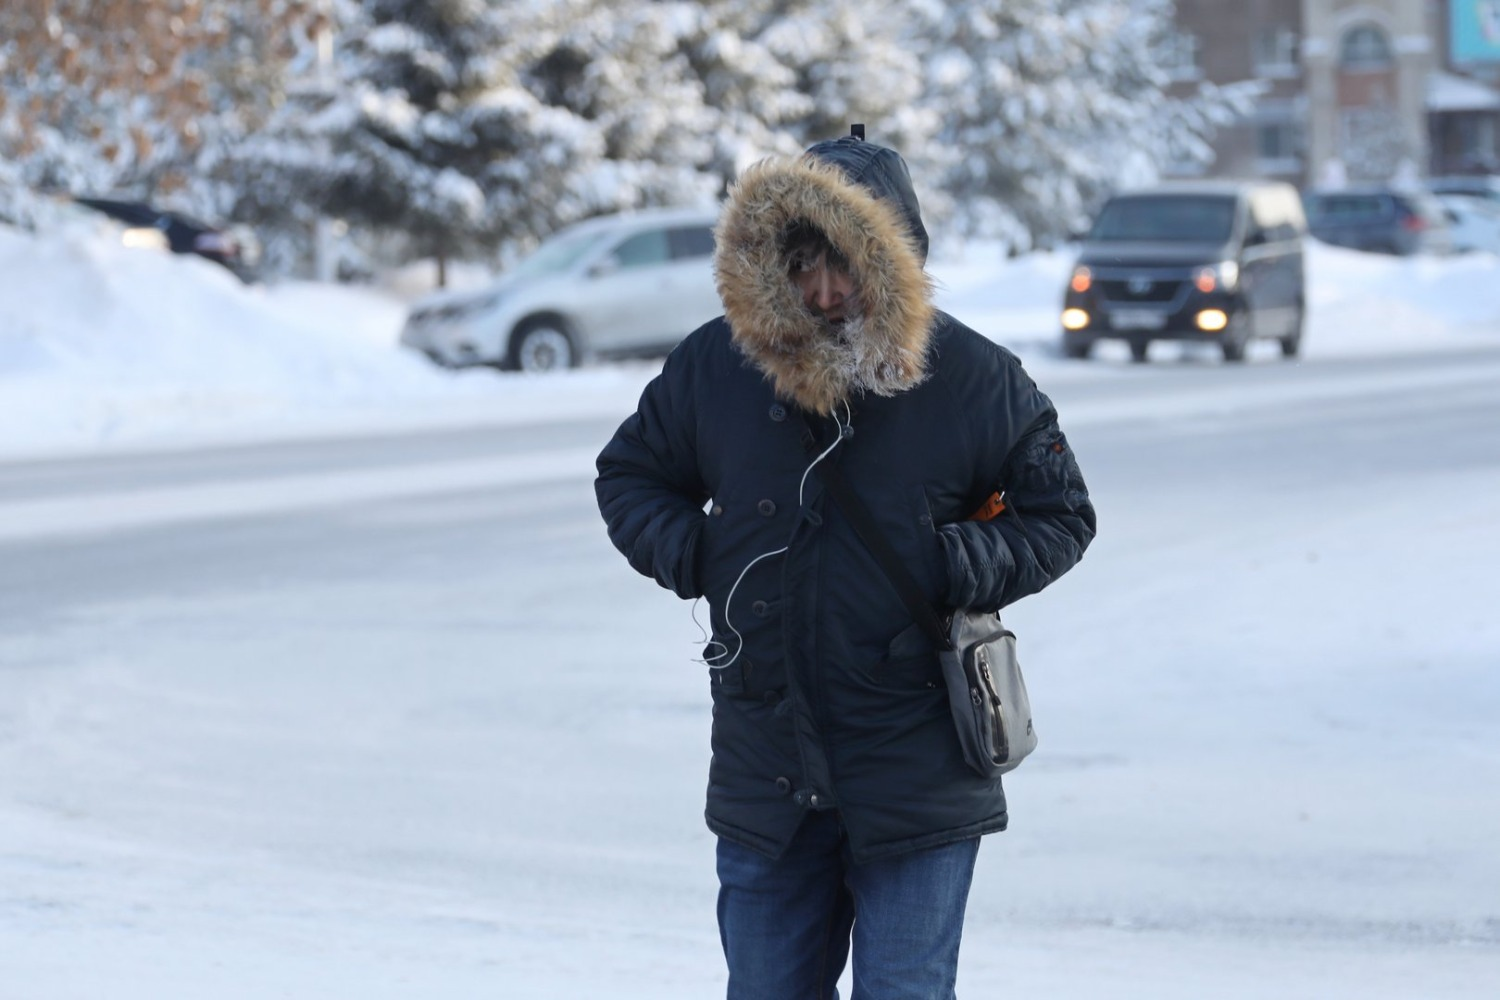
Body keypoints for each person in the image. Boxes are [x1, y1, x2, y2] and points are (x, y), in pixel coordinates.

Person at [594, 129, 1096, 999]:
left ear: (894, 261)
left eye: (848, 265)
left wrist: (957, 561)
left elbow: (1061, 513)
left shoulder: (974, 377)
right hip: (768, 776)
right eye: (801, 264)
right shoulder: (717, 366)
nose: (825, 292)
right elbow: (631, 474)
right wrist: (700, 554)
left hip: (918, 772)